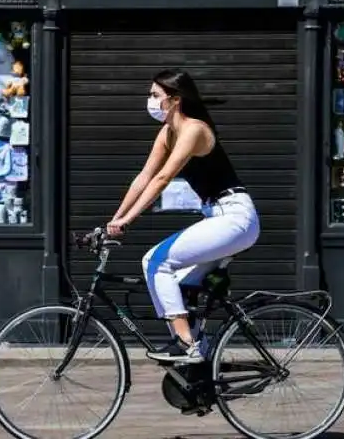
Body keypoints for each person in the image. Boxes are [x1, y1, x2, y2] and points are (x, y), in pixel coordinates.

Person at [106, 69, 260, 363]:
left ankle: (187, 344)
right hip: (217, 217)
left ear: (175, 100)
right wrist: (114, 219)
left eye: (154, 95)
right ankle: (203, 360)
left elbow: (163, 178)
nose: (149, 101)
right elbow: (144, 176)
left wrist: (128, 221)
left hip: (234, 217)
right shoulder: (168, 132)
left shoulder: (194, 129)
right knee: (176, 282)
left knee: (155, 261)